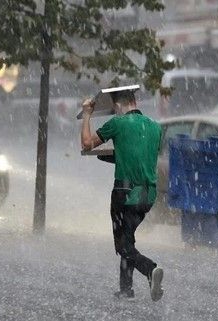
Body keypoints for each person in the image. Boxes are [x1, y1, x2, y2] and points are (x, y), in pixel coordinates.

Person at [80, 89, 164, 301]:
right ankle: (126, 289)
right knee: (128, 238)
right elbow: (141, 156)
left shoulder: (117, 123)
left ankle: (149, 269)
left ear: (117, 106)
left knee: (122, 245)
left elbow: (87, 143)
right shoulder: (155, 127)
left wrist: (87, 114)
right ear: (134, 101)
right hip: (148, 195)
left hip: (125, 194)